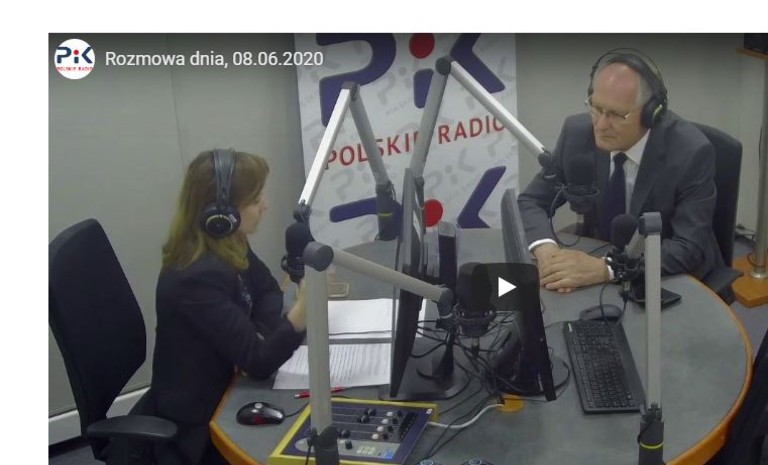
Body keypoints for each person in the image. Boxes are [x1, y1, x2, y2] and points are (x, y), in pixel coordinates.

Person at [518, 49, 723, 293]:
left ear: (651, 114)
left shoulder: (691, 153)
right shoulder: (577, 134)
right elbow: (532, 201)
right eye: (596, 108)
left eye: (616, 114)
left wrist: (607, 269)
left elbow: (688, 248)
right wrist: (547, 252)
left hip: (668, 276)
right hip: (598, 262)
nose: (601, 124)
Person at [148, 149, 307, 464]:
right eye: (255, 200)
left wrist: (255, 334)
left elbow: (267, 290)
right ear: (221, 213)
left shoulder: (229, 240)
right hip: (199, 424)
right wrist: (300, 316)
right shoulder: (194, 277)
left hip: (229, 385)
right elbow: (259, 363)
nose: (265, 205)